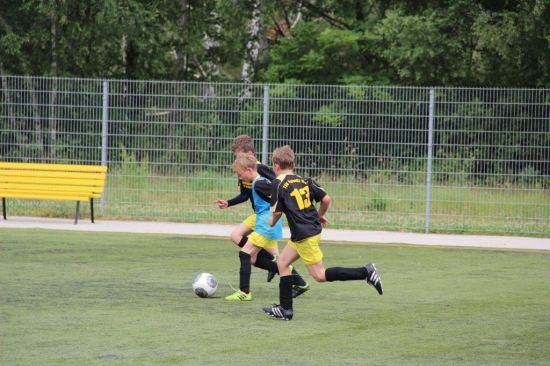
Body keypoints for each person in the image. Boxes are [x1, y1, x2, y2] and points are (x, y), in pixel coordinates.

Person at [263, 145, 383, 320]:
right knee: (282, 262)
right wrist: (319, 216)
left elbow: (277, 213)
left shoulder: (278, 183)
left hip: (304, 234)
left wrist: (271, 222)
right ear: (293, 164)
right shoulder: (305, 180)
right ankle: (285, 309)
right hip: (307, 231)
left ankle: (365, 272)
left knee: (319, 275)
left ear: (276, 166)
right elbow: (326, 199)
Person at [225, 154, 310, 301]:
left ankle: (244, 292)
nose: (240, 178)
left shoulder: (259, 184)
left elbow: (278, 198)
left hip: (266, 224)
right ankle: (296, 279)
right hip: (265, 223)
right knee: (258, 259)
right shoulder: (259, 181)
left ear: (249, 169)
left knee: (245, 254)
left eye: (240, 174)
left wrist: (289, 212)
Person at [215, 135, 278, 282]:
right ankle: (293, 279)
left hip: (268, 217)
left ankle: (295, 281)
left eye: (240, 156)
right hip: (260, 215)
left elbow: (278, 185)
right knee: (277, 258)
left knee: (245, 246)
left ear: (250, 153)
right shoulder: (243, 171)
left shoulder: (260, 169)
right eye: (236, 157)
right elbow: (244, 196)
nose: (237, 160)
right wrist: (228, 203)